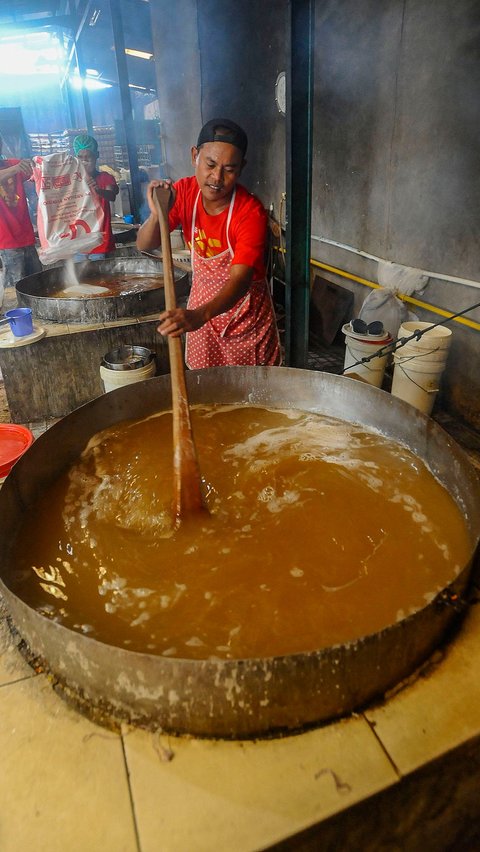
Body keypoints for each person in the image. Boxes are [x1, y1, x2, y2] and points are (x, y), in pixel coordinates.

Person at [136, 118, 281, 369]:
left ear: (242, 167)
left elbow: (240, 280)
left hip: (243, 321)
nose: (217, 177)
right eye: (210, 164)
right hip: (201, 315)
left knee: (250, 396)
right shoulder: (183, 192)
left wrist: (200, 315)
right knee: (205, 395)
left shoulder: (249, 212)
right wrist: (156, 214)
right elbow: (144, 244)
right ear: (195, 156)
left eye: (230, 169)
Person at [0, 134, 41, 305]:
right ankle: (19, 323)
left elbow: (35, 168)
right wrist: (16, 168)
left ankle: (39, 316)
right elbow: (17, 169)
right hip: (7, 242)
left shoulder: (12, 163)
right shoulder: (13, 167)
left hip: (26, 236)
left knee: (37, 282)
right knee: (16, 290)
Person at [72, 134, 119, 260]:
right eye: (80, 157)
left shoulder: (105, 178)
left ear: (96, 155)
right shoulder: (73, 181)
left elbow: (112, 196)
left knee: (102, 278)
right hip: (79, 243)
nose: (84, 161)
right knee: (82, 279)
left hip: (101, 243)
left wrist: (98, 190)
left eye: (88, 157)